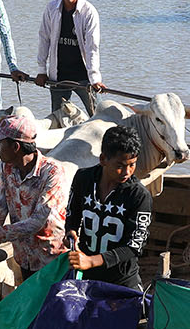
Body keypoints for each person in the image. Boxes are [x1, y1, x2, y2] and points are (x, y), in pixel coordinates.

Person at [0, 111, 71, 279]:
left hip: (50, 258)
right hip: (24, 258)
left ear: (16, 147)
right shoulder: (7, 169)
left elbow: (39, 221)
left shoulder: (52, 172)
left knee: (50, 303)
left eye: (1, 143)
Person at [65, 124, 153, 290]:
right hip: (86, 273)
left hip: (121, 278)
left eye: (132, 164)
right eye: (120, 165)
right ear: (103, 159)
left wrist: (92, 261)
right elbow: (73, 212)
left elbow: (134, 245)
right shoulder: (83, 178)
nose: (127, 172)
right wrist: (70, 231)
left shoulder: (139, 196)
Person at [35, 0, 103, 117]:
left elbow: (92, 47)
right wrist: (41, 70)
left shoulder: (89, 12)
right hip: (59, 74)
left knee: (98, 116)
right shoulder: (51, 8)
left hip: (84, 76)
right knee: (58, 119)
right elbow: (44, 38)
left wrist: (95, 78)